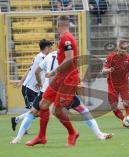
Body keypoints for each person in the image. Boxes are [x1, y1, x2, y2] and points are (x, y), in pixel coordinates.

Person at [10, 51, 112, 144]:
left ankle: (18, 139)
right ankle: (99, 134)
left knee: (33, 112)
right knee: (82, 110)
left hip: (47, 90)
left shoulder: (50, 56)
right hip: (64, 90)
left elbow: (37, 71)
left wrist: (39, 83)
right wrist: (79, 83)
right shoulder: (69, 57)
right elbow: (74, 73)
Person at [26, 15, 80, 147]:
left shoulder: (66, 38)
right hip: (61, 77)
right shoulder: (64, 38)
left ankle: (72, 133)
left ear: (58, 25)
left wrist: (54, 72)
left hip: (68, 79)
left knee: (56, 110)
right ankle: (41, 137)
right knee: (43, 103)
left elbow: (69, 59)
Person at [11, 39, 52, 131]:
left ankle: (16, 120)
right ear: (46, 47)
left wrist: (21, 81)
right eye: (49, 47)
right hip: (29, 88)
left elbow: (29, 70)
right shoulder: (42, 57)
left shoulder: (39, 57)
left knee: (36, 111)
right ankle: (20, 125)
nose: (50, 49)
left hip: (35, 89)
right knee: (36, 112)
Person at [102, 39, 129, 128]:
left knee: (127, 103)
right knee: (113, 107)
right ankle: (124, 120)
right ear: (117, 47)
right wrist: (109, 70)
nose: (123, 50)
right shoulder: (110, 57)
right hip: (112, 85)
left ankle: (127, 121)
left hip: (124, 84)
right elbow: (103, 71)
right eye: (121, 48)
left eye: (124, 49)